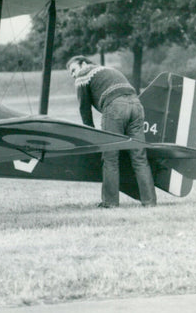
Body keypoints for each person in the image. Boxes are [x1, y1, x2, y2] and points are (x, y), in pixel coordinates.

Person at [66, 55, 157, 208]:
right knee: (140, 158)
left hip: (115, 108)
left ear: (83, 63)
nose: (73, 75)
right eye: (71, 73)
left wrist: (91, 134)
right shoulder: (107, 69)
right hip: (136, 106)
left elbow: (84, 110)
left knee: (110, 158)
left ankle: (110, 202)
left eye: (73, 70)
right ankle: (149, 202)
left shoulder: (83, 75)